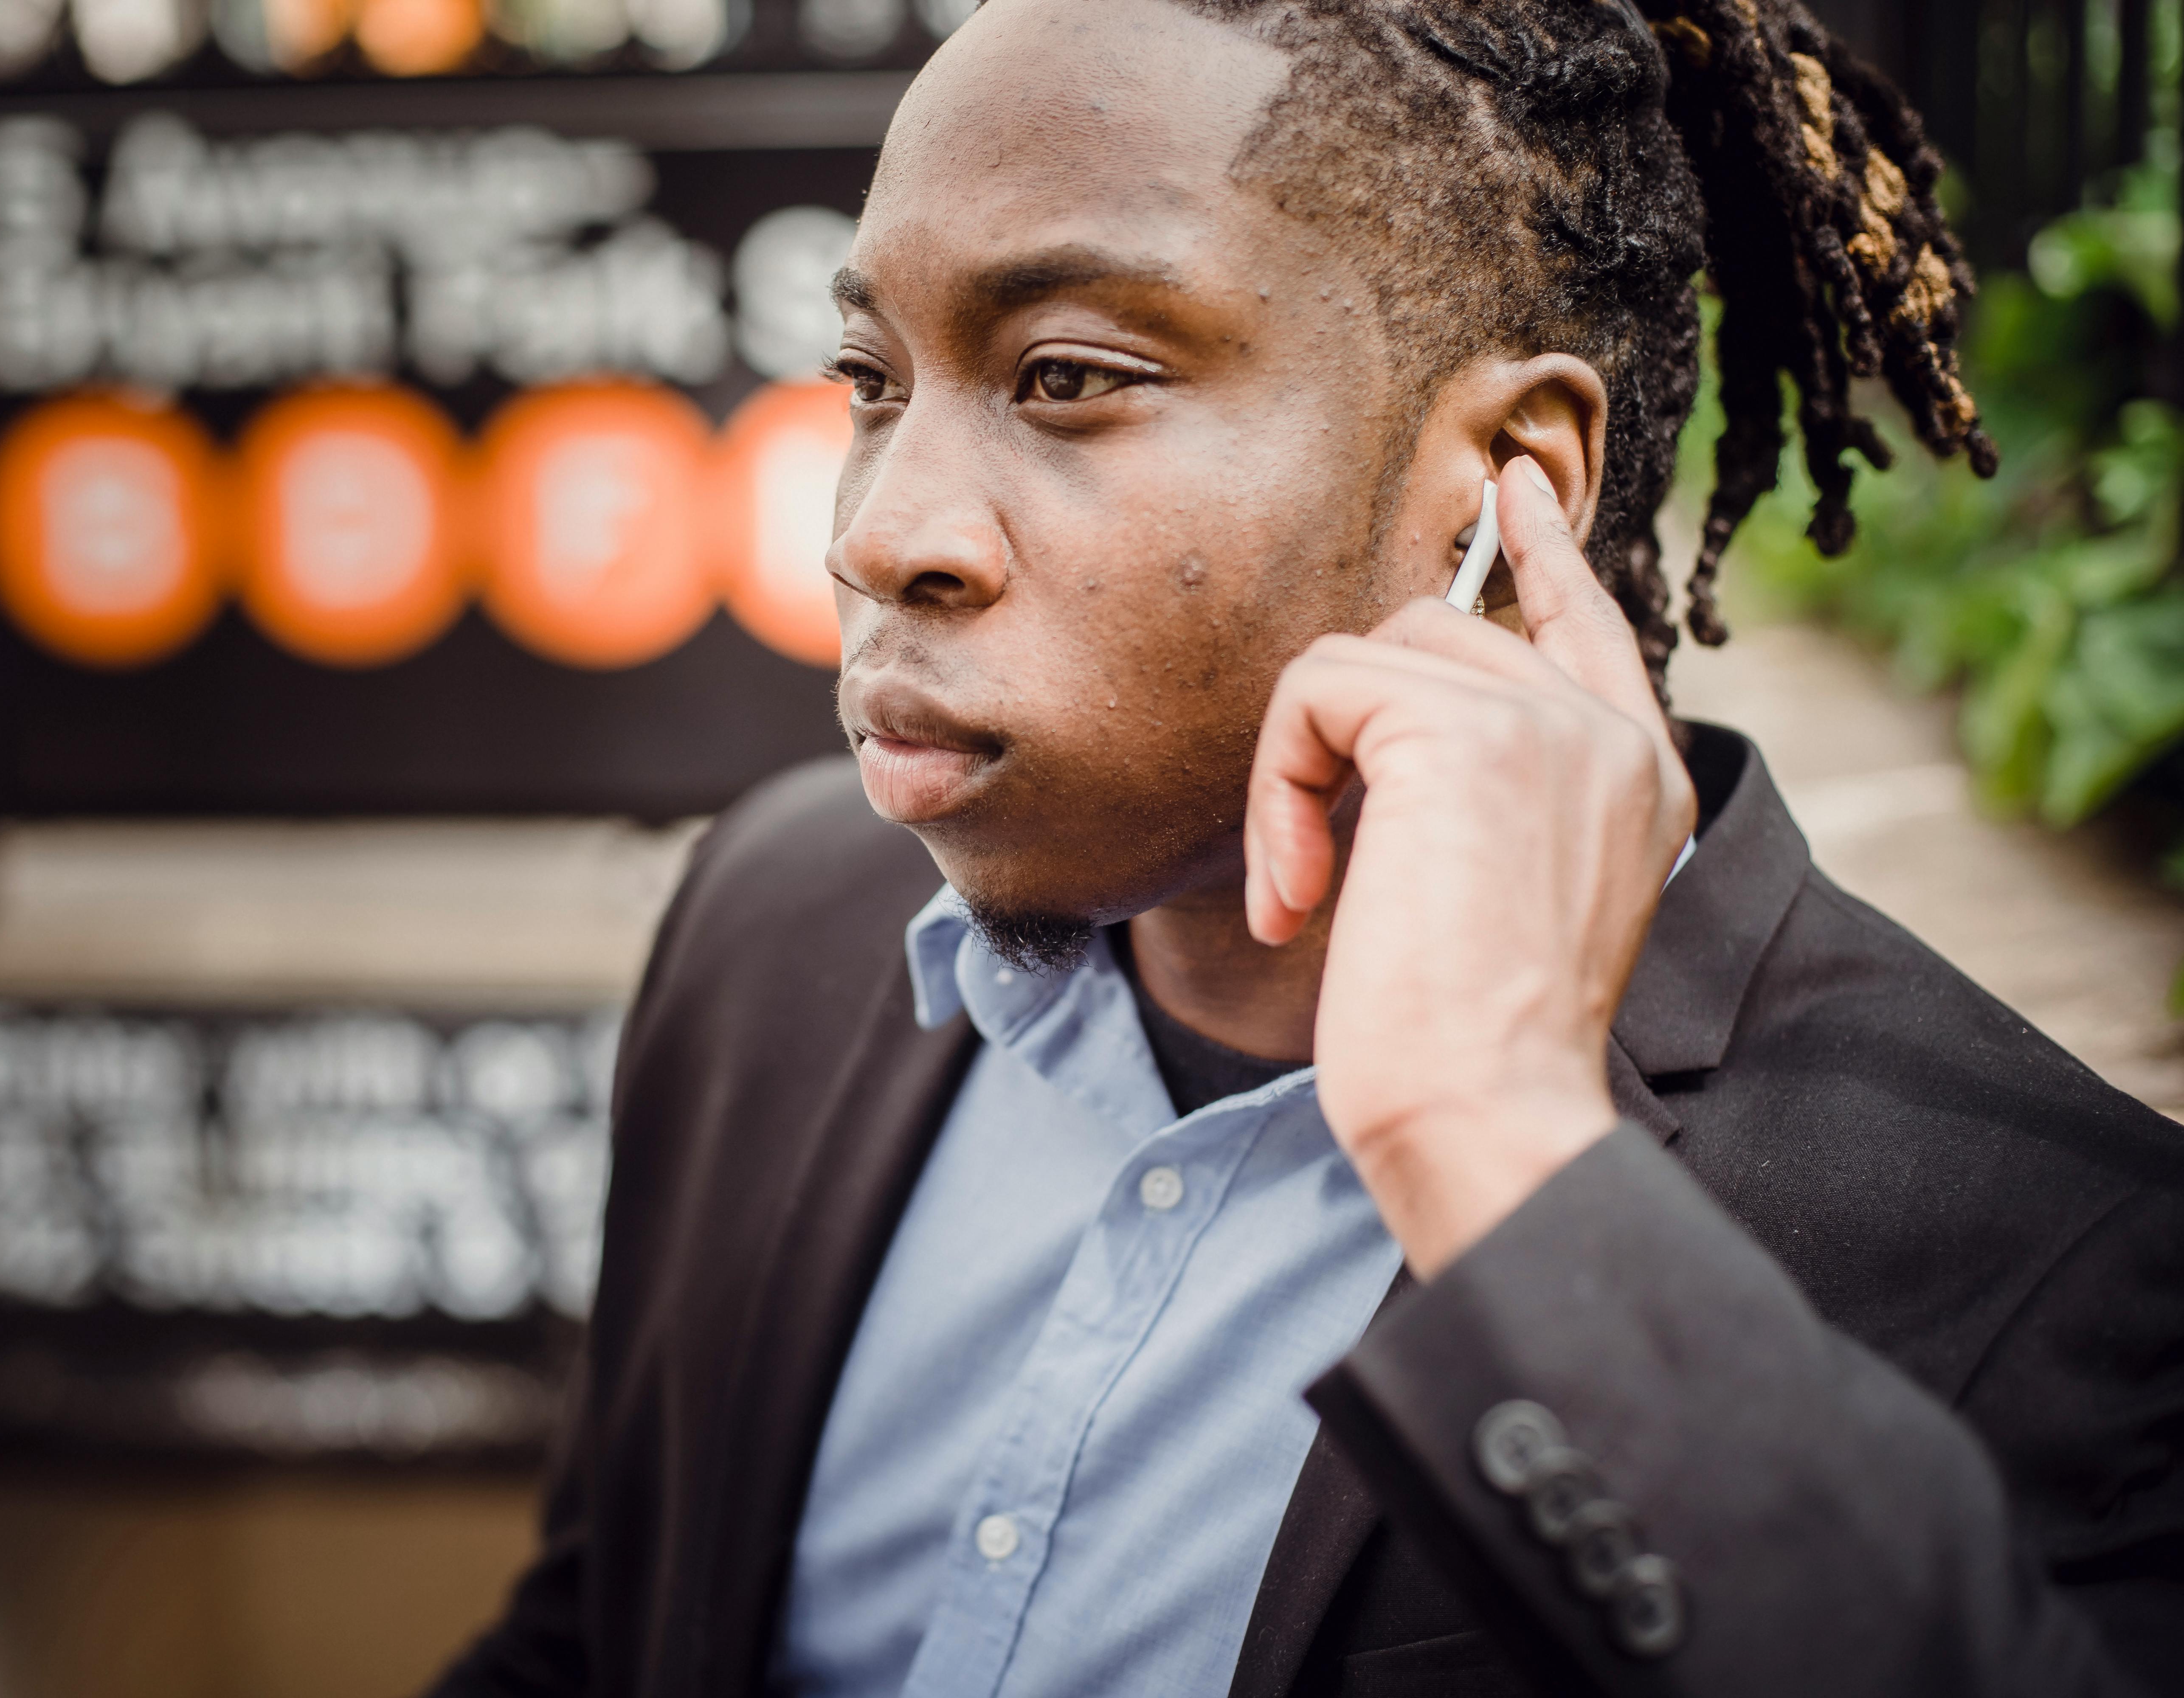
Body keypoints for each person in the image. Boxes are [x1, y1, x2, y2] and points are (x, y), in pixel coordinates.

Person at [428, 0, 2184, 1692]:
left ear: (1508, 484)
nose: (883, 532)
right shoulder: (775, 929)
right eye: (872, 380)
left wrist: (1499, 1147)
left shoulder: (2053, 1254)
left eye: (1066, 379)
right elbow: (599, 1638)